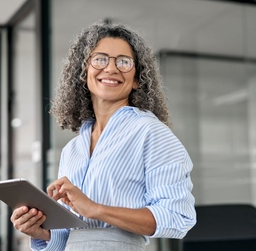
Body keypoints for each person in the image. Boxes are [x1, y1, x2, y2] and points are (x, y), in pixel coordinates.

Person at [10, 22, 196, 250]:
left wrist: (96, 209)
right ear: (83, 71)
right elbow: (72, 234)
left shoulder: (150, 133)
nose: (111, 68)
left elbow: (177, 217)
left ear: (138, 79)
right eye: (100, 59)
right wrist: (41, 231)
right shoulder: (73, 150)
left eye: (123, 62)